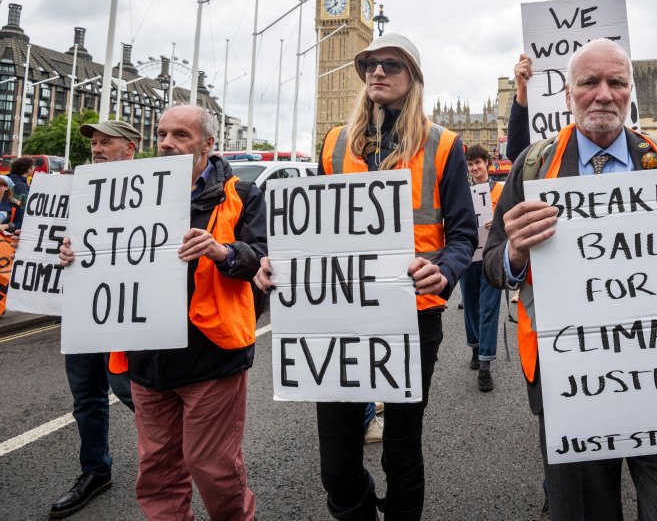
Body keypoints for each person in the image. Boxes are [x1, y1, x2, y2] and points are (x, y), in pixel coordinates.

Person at [483, 38, 657, 520]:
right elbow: (492, 266)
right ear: (569, 94)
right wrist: (515, 250)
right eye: (589, 82)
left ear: (631, 91)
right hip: (570, 385)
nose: (603, 94)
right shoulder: (533, 166)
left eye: (616, 82)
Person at [255, 33, 477, 520]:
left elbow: (464, 234)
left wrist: (442, 270)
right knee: (336, 463)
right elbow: (311, 224)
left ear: (412, 79)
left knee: (400, 447)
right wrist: (278, 258)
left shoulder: (443, 145)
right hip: (337, 312)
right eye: (370, 64)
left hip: (412, 316)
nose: (378, 71)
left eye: (391, 65)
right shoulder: (335, 142)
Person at [60, 105, 267, 520]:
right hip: (146, 358)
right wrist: (74, 255)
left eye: (181, 135)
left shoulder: (242, 194)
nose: (167, 143)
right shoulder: (130, 192)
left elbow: (265, 260)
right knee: (157, 474)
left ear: (208, 143)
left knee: (214, 470)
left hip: (210, 357)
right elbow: (100, 251)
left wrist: (222, 251)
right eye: (162, 134)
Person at [48, 121, 140, 519]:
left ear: (130, 149)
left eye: (107, 143)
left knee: (136, 393)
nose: (97, 149)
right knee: (86, 398)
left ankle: (181, 460)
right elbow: (52, 241)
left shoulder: (150, 189)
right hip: (81, 309)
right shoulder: (75, 189)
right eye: (95, 144)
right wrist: (62, 253)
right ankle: (95, 471)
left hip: (125, 310)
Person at [460, 144, 504, 391]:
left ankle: (485, 366)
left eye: (479, 163)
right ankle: (475, 348)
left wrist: (497, 222)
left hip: (492, 256)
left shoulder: (500, 190)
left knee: (489, 308)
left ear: (487, 164)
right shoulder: (463, 193)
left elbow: (510, 219)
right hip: (468, 257)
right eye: (471, 164)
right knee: (471, 306)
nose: (475, 167)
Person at [7, 156, 34, 231]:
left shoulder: (7, 180)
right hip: (13, 226)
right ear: (28, 169)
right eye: (32, 167)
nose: (33, 169)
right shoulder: (21, 185)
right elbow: (23, 208)